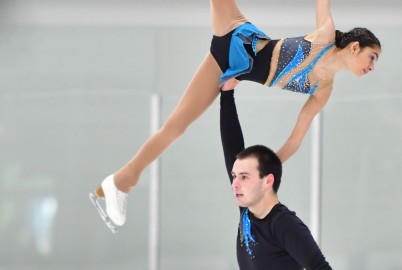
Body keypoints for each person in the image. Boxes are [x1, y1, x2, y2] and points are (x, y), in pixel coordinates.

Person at [89, 0, 381, 232]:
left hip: (229, 65)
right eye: (372, 58)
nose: (372, 67)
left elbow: (295, 139)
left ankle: (121, 181)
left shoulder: (323, 90)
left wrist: (267, 169)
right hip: (237, 34)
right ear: (355, 47)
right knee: (175, 127)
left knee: (176, 127)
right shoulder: (325, 35)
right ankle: (122, 181)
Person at [219, 89, 332, 269]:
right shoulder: (247, 213)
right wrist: (227, 93)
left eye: (244, 177)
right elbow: (231, 145)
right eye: (234, 176)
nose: (235, 184)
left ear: (267, 181)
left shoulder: (284, 224)